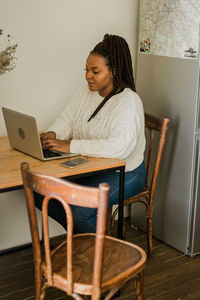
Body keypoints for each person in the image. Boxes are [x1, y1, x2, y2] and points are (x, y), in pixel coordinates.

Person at [35, 33, 146, 233]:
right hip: (90, 167)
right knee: (39, 190)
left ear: (113, 71)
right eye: (86, 70)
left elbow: (119, 148)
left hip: (126, 172)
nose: (88, 76)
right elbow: (66, 120)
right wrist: (53, 133)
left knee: (79, 211)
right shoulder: (84, 92)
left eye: (95, 71)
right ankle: (87, 240)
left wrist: (69, 145)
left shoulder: (129, 101)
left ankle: (102, 255)